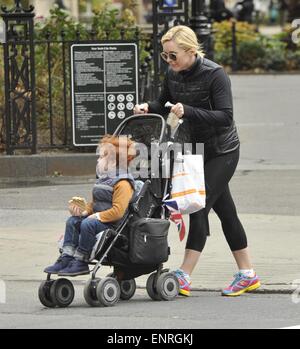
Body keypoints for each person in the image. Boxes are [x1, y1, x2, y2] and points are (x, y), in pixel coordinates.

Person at [134, 25, 260, 297]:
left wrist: (188, 111)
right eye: (165, 55)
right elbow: (163, 103)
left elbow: (225, 116)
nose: (169, 61)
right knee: (226, 212)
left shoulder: (215, 75)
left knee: (198, 206)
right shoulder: (173, 73)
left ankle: (184, 274)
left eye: (173, 55)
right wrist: (148, 107)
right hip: (194, 150)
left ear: (191, 51)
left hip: (222, 151)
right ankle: (248, 273)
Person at [44, 135, 137, 276]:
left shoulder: (123, 183)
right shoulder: (103, 180)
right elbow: (94, 204)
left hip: (112, 225)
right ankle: (67, 257)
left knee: (88, 224)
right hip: (97, 220)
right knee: (73, 221)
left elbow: (118, 212)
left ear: (112, 162)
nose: (98, 160)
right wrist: (84, 212)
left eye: (101, 158)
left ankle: (81, 260)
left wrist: (96, 216)